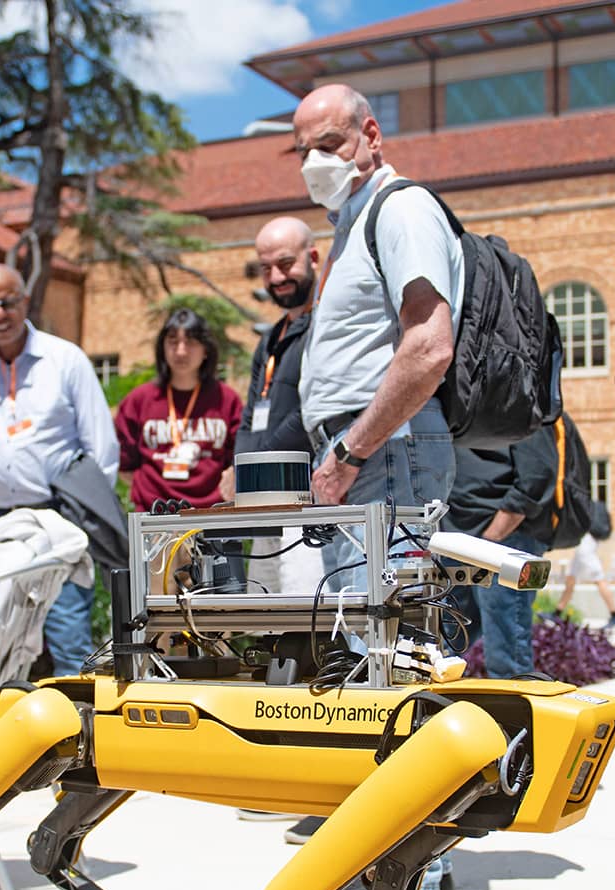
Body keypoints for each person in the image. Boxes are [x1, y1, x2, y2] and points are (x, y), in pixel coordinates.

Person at [290, 84, 459, 589]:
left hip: (383, 449)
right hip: (367, 450)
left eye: (328, 143)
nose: (314, 162)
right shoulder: (353, 222)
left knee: (386, 641)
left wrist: (350, 453)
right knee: (364, 637)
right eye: (304, 152)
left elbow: (429, 347)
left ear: (371, 134)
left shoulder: (401, 209)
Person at [0, 263, 118, 676]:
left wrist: (88, 516)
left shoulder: (65, 360)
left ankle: (80, 736)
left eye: (8, 303)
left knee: (67, 636)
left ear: (25, 301)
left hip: (57, 522)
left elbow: (101, 448)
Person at [238, 216, 327, 597]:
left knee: (307, 616)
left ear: (313, 257)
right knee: (266, 621)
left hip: (307, 508)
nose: (275, 277)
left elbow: (313, 410)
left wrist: (262, 467)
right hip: (263, 506)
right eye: (265, 268)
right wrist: (241, 470)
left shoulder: (327, 326)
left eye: (285, 264)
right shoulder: (272, 337)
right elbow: (249, 412)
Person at [441, 430, 559, 679]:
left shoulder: (521, 395)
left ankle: (512, 717)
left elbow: (537, 471)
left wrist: (497, 532)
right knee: (443, 652)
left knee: (506, 655)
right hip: (455, 537)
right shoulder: (454, 398)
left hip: (503, 536)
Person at [114, 308, 242, 512]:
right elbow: (124, 463)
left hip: (213, 515)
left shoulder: (227, 400)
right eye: (173, 341)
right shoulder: (139, 400)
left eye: (190, 342)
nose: (181, 351)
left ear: (206, 349)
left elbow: (237, 460)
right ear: (162, 348)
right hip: (154, 515)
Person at [559, 535, 615, 630]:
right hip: (584, 541)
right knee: (571, 577)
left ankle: (614, 614)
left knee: (599, 579)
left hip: (586, 542)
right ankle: (557, 612)